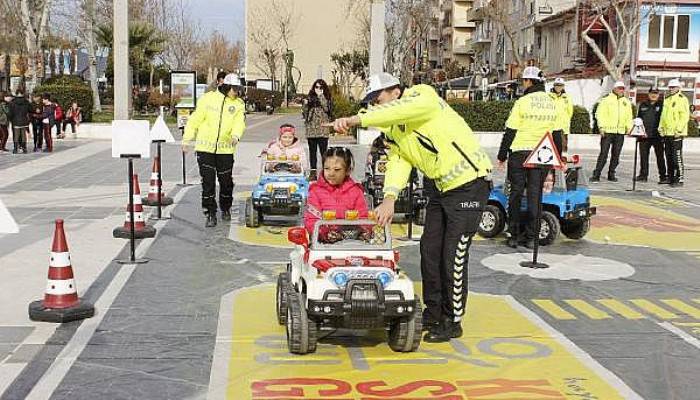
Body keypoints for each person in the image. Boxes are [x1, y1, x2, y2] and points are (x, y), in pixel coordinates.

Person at [329, 72, 492, 343]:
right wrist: (390, 196)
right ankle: (433, 311)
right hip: (440, 189)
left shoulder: (422, 96)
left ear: (395, 91)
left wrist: (356, 119)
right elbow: (399, 162)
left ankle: (452, 320)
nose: (375, 106)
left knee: (453, 254)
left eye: (377, 99)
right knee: (429, 250)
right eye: (370, 102)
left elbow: (400, 109)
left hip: (469, 184)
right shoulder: (394, 130)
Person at [497, 66, 558, 249]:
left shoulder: (522, 102)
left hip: (519, 153)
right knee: (535, 196)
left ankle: (514, 236)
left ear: (529, 82)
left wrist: (501, 155)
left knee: (515, 194)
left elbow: (510, 131)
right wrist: (556, 159)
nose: (523, 85)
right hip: (542, 154)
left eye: (523, 81)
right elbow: (557, 134)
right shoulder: (552, 102)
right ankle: (532, 238)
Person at [183, 73, 246, 227]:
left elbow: (239, 123)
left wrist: (236, 136)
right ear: (225, 86)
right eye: (234, 89)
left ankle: (226, 208)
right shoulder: (208, 99)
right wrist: (187, 139)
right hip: (205, 149)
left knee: (226, 182)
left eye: (238, 89)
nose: (236, 92)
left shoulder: (238, 104)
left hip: (225, 150)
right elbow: (195, 120)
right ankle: (210, 212)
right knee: (208, 182)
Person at [303, 147, 368, 237]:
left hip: (351, 242)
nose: (331, 173)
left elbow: (363, 218)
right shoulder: (315, 191)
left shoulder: (356, 191)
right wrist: (324, 233)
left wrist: (363, 232)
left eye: (337, 169)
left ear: (348, 170)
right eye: (327, 168)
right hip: (322, 244)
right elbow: (311, 220)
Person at [591, 81, 634, 182]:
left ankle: (611, 173)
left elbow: (629, 117)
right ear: (614, 88)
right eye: (619, 88)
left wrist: (629, 128)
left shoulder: (626, 102)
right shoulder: (606, 100)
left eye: (623, 88)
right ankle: (596, 174)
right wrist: (601, 127)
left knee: (616, 154)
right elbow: (599, 114)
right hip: (607, 131)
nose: (621, 90)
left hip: (620, 132)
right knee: (603, 154)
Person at [659, 79, 690, 187]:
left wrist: (679, 130)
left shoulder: (682, 99)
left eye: (673, 87)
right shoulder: (667, 99)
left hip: (677, 133)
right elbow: (663, 116)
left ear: (678, 88)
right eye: (670, 87)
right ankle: (671, 177)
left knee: (676, 157)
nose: (671, 89)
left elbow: (685, 116)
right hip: (667, 133)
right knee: (668, 156)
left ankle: (679, 179)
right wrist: (661, 128)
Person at [303, 79, 333, 178]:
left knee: (324, 153)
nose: (318, 89)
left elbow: (327, 108)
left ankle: (326, 172)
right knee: (312, 152)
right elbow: (305, 113)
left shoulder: (327, 98)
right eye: (316, 87)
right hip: (311, 129)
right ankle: (313, 173)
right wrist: (306, 104)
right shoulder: (310, 98)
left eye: (321, 87)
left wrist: (321, 96)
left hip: (323, 129)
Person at [635, 88, 665, 183]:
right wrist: (638, 133)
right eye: (652, 93)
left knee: (660, 157)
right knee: (643, 157)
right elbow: (638, 119)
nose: (654, 95)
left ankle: (663, 176)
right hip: (644, 136)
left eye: (656, 93)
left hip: (657, 136)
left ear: (659, 95)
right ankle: (643, 175)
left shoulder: (662, 105)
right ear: (648, 94)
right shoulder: (643, 104)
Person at [550, 77, 573, 153]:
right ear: (554, 85)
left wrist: (565, 122)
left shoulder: (567, 98)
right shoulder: (549, 97)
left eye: (560, 85)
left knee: (562, 150)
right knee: (550, 149)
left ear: (563, 86)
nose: (558, 87)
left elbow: (570, 112)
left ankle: (562, 164)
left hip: (563, 128)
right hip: (550, 127)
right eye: (557, 85)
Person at [8, 89, 32, 154]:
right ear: (22, 93)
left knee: (16, 135)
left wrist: (11, 120)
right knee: (23, 135)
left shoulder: (12, 102)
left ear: (16, 93)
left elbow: (10, 113)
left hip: (15, 121)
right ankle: (24, 149)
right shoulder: (26, 102)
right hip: (24, 121)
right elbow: (30, 110)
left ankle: (15, 149)